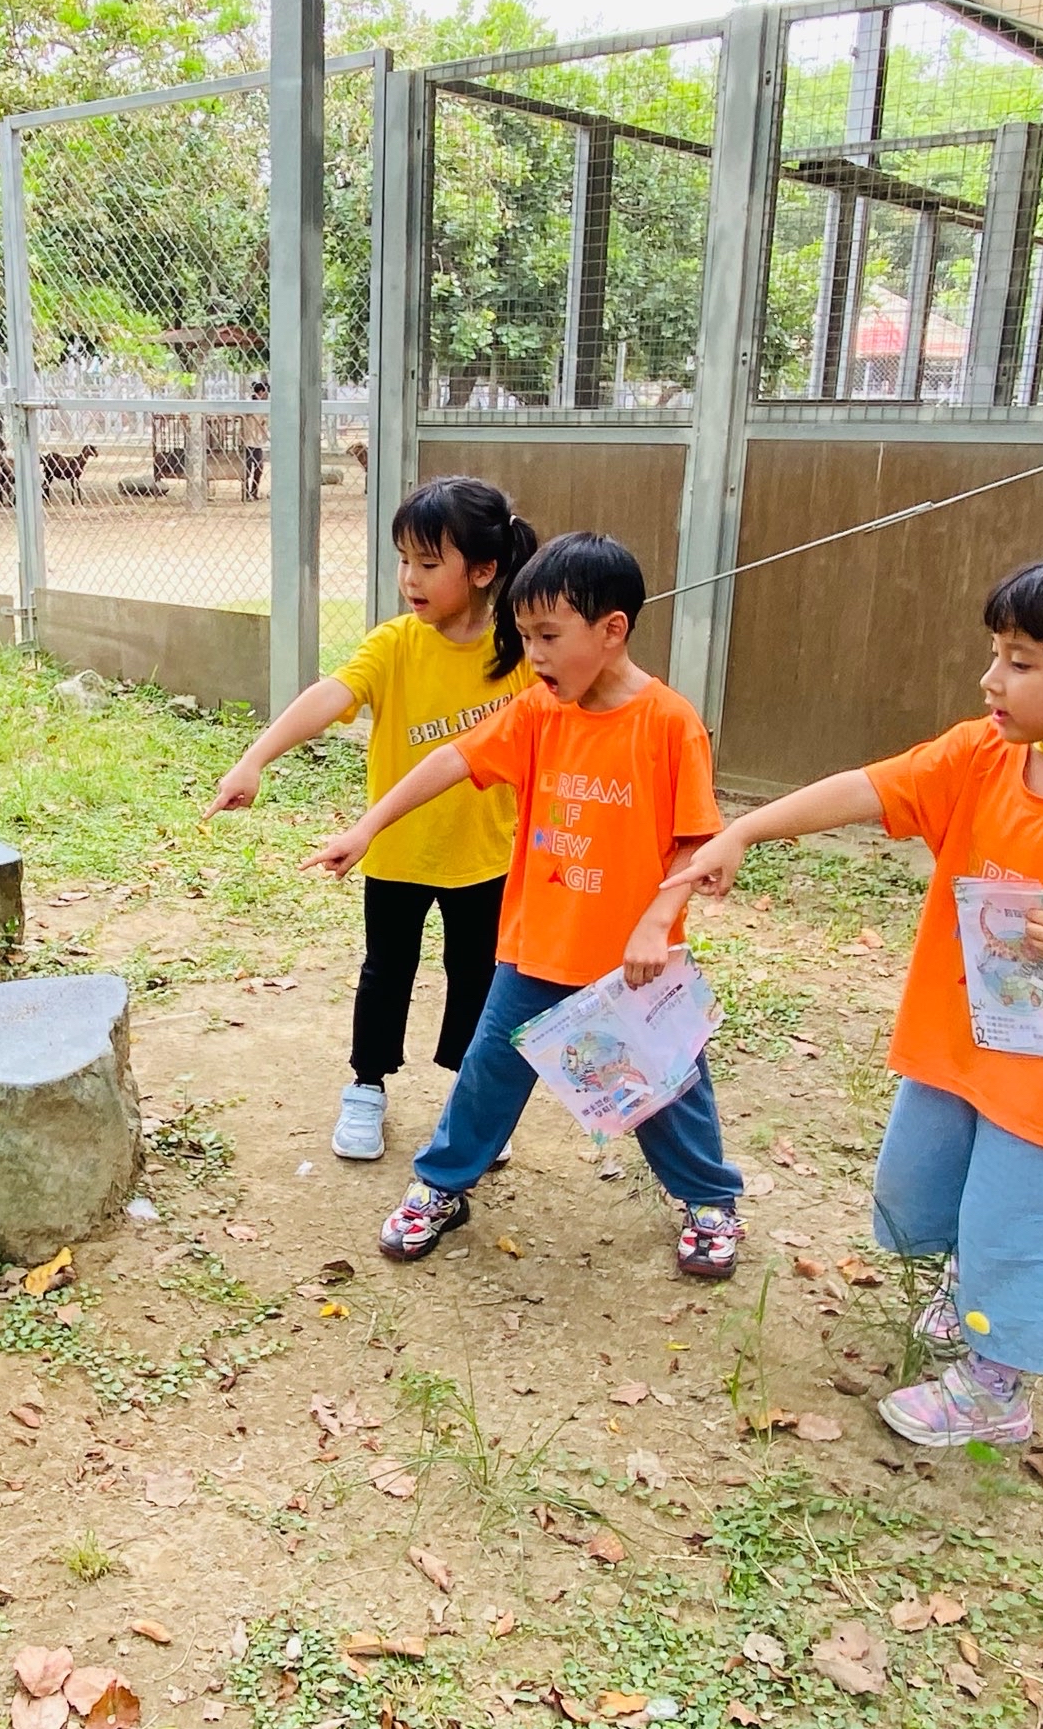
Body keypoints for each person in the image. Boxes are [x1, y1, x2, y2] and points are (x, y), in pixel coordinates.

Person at [661, 550, 1043, 1446]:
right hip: (958, 1045)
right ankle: (970, 1290)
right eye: (995, 653)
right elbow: (867, 788)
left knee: (1021, 1219)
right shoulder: (980, 757)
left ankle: (996, 1387)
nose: (990, 679)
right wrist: (745, 830)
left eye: (1020, 661)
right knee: (925, 1187)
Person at [303, 532, 745, 1278]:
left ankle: (709, 1202)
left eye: (547, 636)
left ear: (611, 630)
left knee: (667, 1087)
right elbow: (454, 758)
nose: (532, 655)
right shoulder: (539, 711)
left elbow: (695, 842)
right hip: (535, 948)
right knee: (487, 1075)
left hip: (633, 964)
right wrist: (368, 825)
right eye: (524, 636)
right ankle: (441, 1187)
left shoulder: (669, 722)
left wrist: (653, 924)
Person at [209, 478, 536, 1161]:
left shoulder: (521, 655)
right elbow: (331, 694)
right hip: (394, 851)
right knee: (386, 970)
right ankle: (366, 1084)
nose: (409, 578)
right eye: (403, 559)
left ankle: (467, 1095)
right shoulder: (395, 644)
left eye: (428, 563)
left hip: (486, 855)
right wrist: (254, 758)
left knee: (477, 977)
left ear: (483, 571)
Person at [239, 378, 268, 500]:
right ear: (261, 392)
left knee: (254, 468)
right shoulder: (254, 403)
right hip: (251, 440)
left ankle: (250, 492)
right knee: (254, 468)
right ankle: (250, 492)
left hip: (254, 441)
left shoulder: (257, 404)